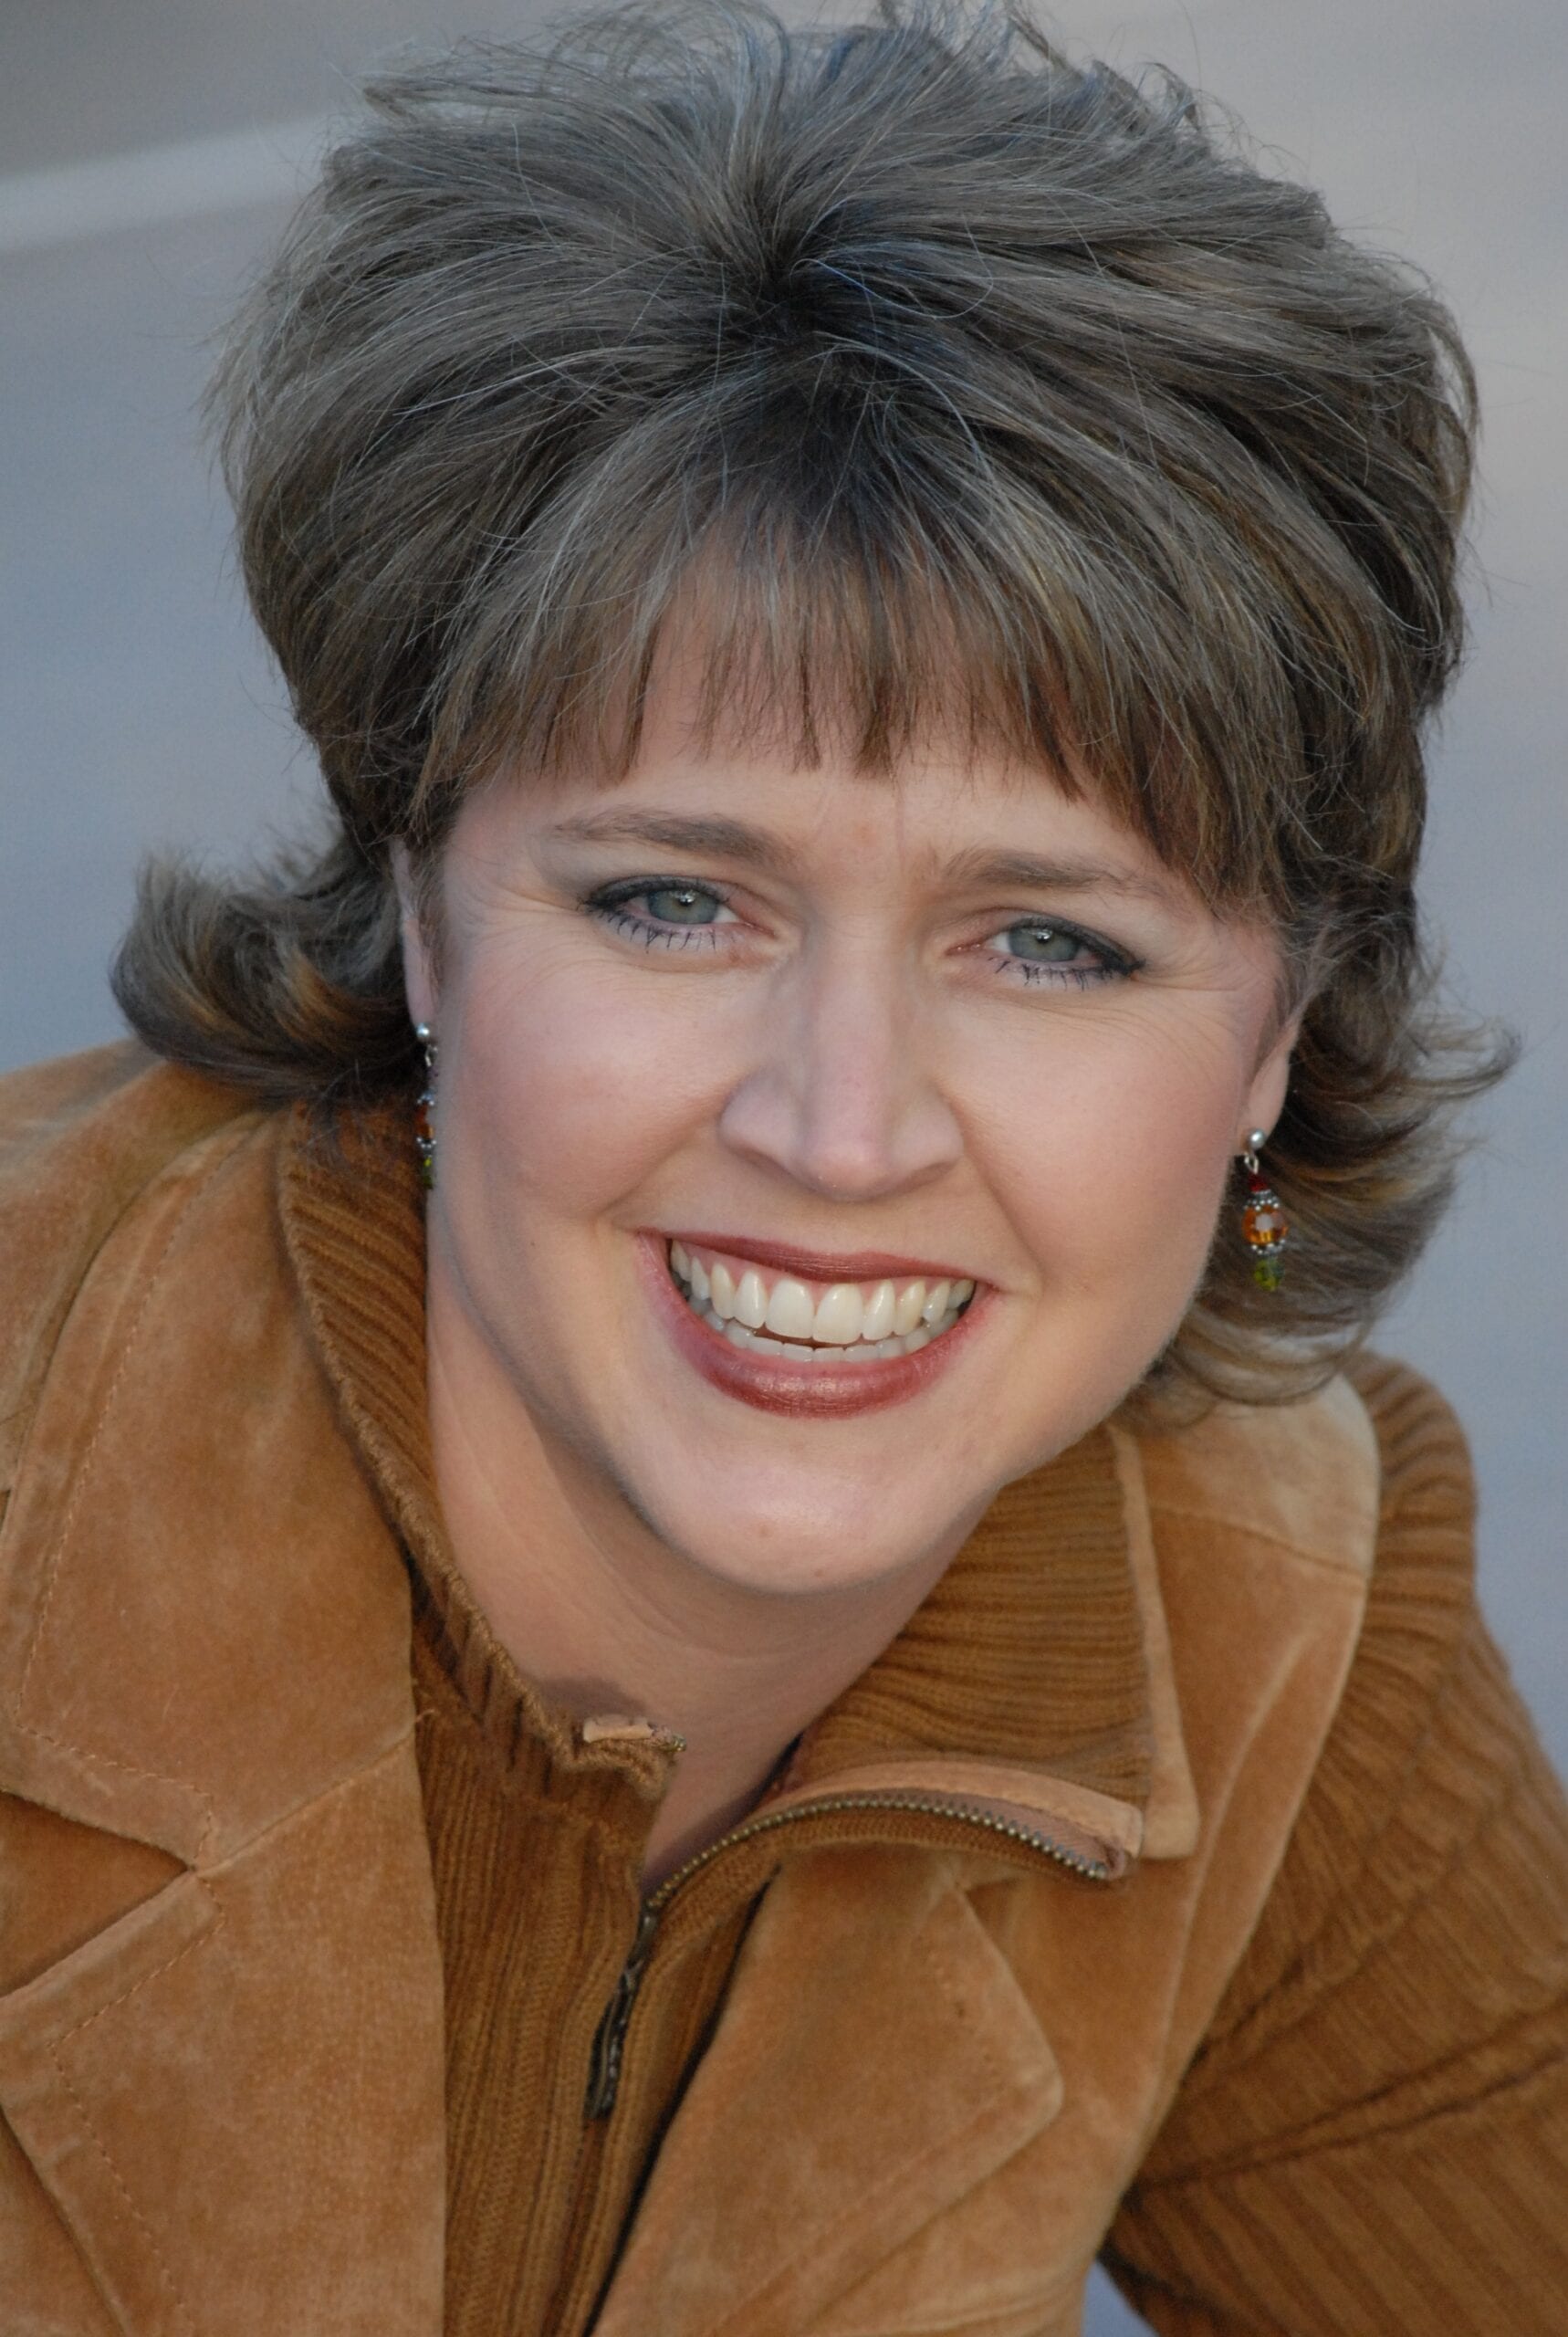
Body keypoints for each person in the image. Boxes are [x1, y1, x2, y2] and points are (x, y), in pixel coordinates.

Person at [1, 4, 1563, 2331]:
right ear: (422, 905)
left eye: (1048, 941)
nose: (840, 1128)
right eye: (673, 901)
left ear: (1275, 1032)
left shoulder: (1282, 1620)